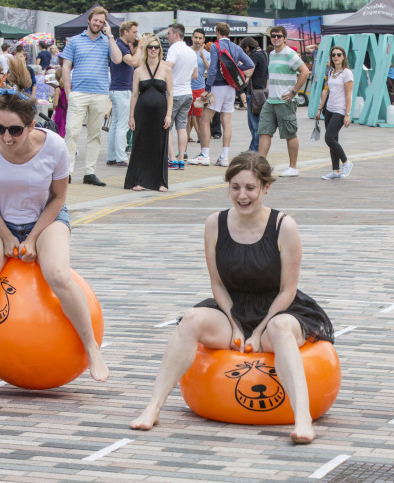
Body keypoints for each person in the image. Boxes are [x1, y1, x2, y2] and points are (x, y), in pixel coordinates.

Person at [129, 153, 334, 443]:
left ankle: (303, 419)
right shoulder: (214, 223)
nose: (242, 195)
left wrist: (259, 330)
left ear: (265, 188)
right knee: (191, 320)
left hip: (278, 310)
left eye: (250, 187)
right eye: (235, 187)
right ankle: (153, 408)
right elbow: (217, 284)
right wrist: (235, 325)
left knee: (279, 329)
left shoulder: (284, 226)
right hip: (232, 308)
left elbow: (288, 290)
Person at [0, 66, 109, 385]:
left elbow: (57, 199)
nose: (5, 137)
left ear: (30, 126)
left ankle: (92, 348)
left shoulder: (54, 146)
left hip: (46, 219)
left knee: (57, 275)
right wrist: (6, 234)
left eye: (14, 130)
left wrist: (33, 238)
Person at [61, 7, 124, 187]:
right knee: (72, 131)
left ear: (104, 23)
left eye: (101, 21)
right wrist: (68, 91)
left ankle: (90, 172)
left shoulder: (106, 42)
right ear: (89, 20)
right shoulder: (74, 41)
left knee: (94, 134)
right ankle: (67, 172)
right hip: (79, 92)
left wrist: (111, 36)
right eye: (95, 20)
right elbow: (66, 67)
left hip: (100, 93)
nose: (97, 24)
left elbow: (118, 59)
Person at [193, 22, 254, 167]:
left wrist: (207, 88)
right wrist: (234, 67)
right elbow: (250, 63)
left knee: (204, 120)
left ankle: (205, 154)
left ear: (217, 31)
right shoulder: (236, 47)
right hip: (231, 88)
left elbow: (213, 68)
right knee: (226, 121)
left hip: (218, 86)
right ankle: (224, 157)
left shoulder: (215, 46)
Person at [259, 26, 309, 178]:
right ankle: (260, 166)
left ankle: (293, 167)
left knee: (290, 133)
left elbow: (305, 71)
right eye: (273, 36)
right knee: (264, 131)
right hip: (271, 100)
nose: (276, 38)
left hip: (285, 101)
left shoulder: (290, 53)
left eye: (279, 36)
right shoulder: (272, 54)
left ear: (285, 38)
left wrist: (294, 92)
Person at [125, 35, 172, 193]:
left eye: (156, 47)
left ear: (160, 50)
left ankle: (161, 181)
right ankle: (139, 180)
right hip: (142, 113)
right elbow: (134, 95)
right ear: (146, 50)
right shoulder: (139, 70)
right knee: (141, 145)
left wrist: (169, 115)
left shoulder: (166, 69)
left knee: (159, 145)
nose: (153, 50)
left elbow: (170, 94)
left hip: (160, 113)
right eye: (150, 47)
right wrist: (131, 116)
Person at [315, 46, 353, 181]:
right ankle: (335, 171)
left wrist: (347, 113)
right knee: (333, 140)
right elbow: (326, 90)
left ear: (343, 57)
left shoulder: (347, 73)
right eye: (333, 55)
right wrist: (319, 108)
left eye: (339, 54)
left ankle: (346, 162)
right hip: (329, 109)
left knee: (329, 138)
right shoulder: (331, 72)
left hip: (340, 110)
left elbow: (349, 94)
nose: (336, 57)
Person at [108, 21, 141, 168]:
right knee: (123, 124)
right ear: (125, 32)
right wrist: (140, 47)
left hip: (117, 89)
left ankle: (112, 156)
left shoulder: (121, 46)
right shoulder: (121, 46)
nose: (136, 35)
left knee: (115, 124)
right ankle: (121, 157)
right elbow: (134, 62)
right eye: (134, 32)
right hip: (122, 90)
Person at [164, 23, 196, 170]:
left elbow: (167, 67)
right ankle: (181, 158)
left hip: (174, 92)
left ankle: (171, 159)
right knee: (182, 127)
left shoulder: (174, 49)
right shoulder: (190, 51)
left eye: (169, 33)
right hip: (187, 92)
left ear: (176, 34)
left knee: (167, 126)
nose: (167, 36)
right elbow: (195, 74)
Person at [241, 37, 268, 153]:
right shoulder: (264, 54)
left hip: (254, 93)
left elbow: (248, 72)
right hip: (262, 92)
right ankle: (253, 147)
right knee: (257, 123)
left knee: (254, 124)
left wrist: (240, 65)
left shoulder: (254, 56)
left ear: (247, 47)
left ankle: (255, 149)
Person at [188, 29, 210, 148]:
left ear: (203, 40)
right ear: (192, 38)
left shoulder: (206, 54)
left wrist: (203, 57)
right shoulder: (187, 51)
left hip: (200, 89)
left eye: (200, 38)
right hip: (186, 88)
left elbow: (210, 70)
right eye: (195, 37)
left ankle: (203, 148)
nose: (197, 40)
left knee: (200, 119)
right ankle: (184, 151)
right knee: (186, 119)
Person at [51, 68, 68, 138]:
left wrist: (53, 108)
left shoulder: (58, 89)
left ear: (56, 78)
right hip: (67, 110)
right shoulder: (68, 87)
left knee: (59, 129)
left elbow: (55, 103)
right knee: (65, 128)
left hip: (60, 111)